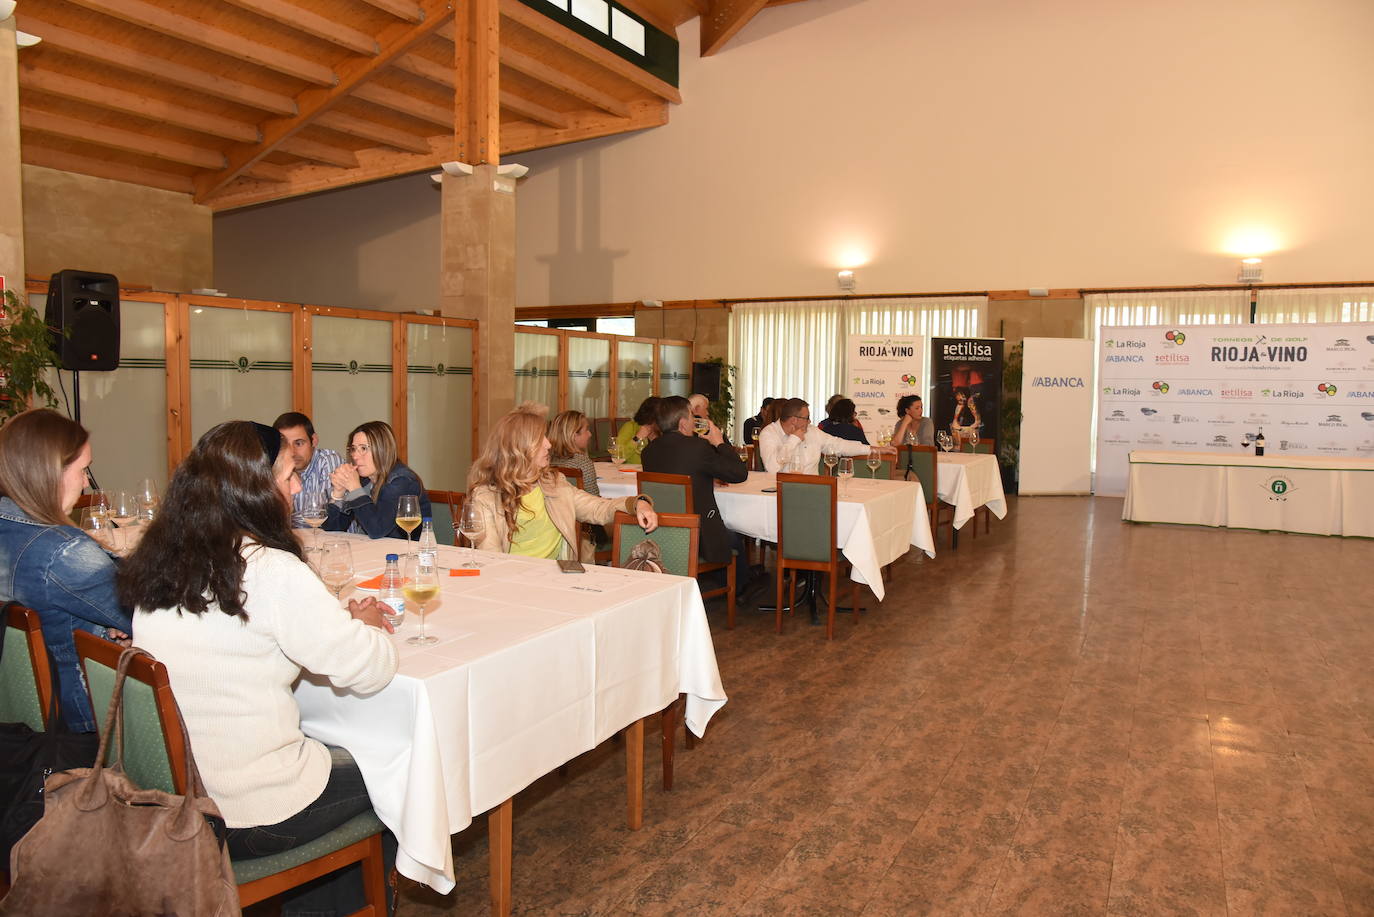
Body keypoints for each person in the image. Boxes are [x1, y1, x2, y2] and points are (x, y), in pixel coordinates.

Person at [120, 421, 397, 914]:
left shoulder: (163, 562)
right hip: (250, 810)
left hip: (175, 794)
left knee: (331, 741)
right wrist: (371, 627)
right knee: (396, 768)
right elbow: (369, 669)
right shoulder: (269, 569)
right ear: (253, 488)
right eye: (289, 474)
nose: (296, 486)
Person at [0, 409, 132, 733]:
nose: (87, 483)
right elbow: (142, 614)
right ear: (50, 473)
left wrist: (103, 625)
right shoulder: (62, 550)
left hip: (20, 719)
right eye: (84, 470)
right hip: (83, 717)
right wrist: (113, 626)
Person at [468, 409, 658, 560]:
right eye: (540, 439)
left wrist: (637, 503)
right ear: (519, 448)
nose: (548, 444)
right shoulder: (486, 497)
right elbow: (490, 560)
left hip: (555, 579)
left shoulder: (553, 483)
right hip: (512, 586)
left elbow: (599, 508)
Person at [641, 396, 750, 591]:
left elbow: (683, 468)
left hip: (662, 529)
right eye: (692, 416)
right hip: (699, 534)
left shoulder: (649, 451)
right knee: (735, 536)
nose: (694, 420)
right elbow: (739, 474)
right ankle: (738, 588)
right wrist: (719, 443)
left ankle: (714, 581)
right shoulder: (698, 447)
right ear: (683, 424)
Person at [323, 420, 430, 539]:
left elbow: (377, 529)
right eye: (353, 449)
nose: (355, 456)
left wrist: (354, 488)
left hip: (406, 553)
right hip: (373, 552)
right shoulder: (365, 480)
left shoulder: (401, 481)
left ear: (383, 449)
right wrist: (338, 493)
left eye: (363, 448)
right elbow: (333, 529)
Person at [758, 398, 890, 473]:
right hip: (781, 494)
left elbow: (839, 445)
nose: (809, 421)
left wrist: (873, 449)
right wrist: (794, 439)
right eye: (806, 418)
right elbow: (772, 468)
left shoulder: (812, 431)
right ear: (794, 420)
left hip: (814, 491)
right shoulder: (769, 434)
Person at [273, 410, 342, 527]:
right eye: (284, 445)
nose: (292, 452)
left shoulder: (328, 460)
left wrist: (286, 518)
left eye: (299, 443)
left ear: (314, 440)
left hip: (336, 541)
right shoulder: (274, 465)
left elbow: (323, 515)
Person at [548, 410, 600, 497]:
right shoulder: (583, 463)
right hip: (577, 510)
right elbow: (595, 500)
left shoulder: (546, 461)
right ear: (573, 434)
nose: (590, 434)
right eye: (586, 429)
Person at [614, 396, 661, 465]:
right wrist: (637, 438)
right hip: (631, 473)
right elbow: (618, 456)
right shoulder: (630, 427)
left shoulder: (664, 431)